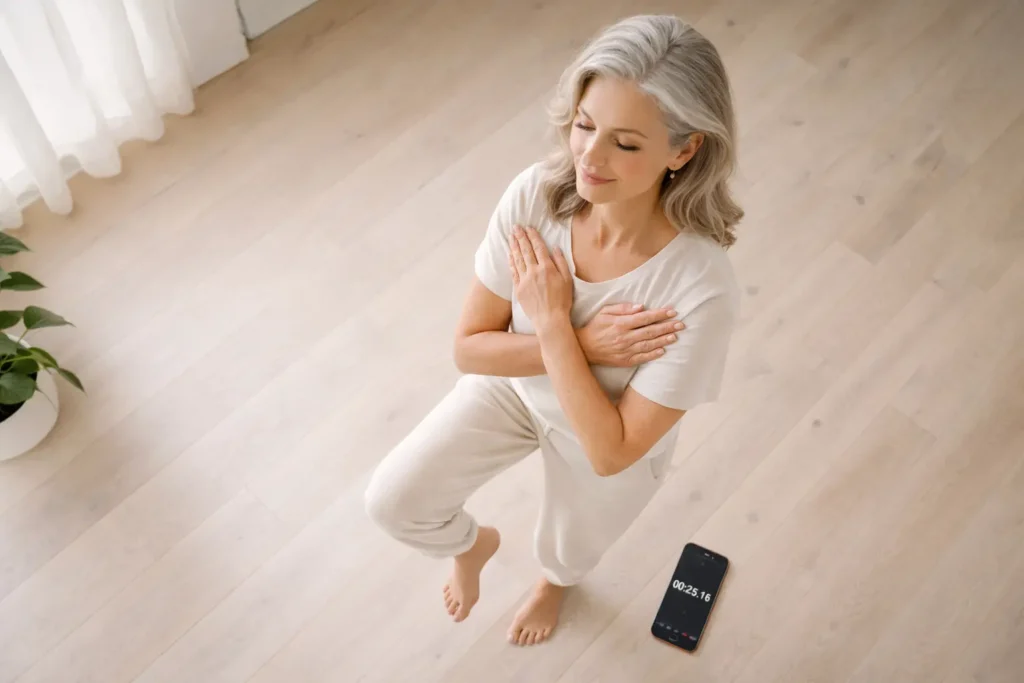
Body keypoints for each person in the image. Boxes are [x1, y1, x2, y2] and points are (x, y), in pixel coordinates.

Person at [365, 14, 742, 647]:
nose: (589, 159)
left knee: (570, 546)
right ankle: (473, 546)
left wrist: (548, 322)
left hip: (603, 430)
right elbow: (468, 349)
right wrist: (579, 341)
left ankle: (554, 584)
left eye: (625, 144)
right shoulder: (535, 197)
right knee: (394, 501)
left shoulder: (700, 288)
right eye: (584, 125)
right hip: (515, 387)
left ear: (684, 149)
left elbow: (611, 452)